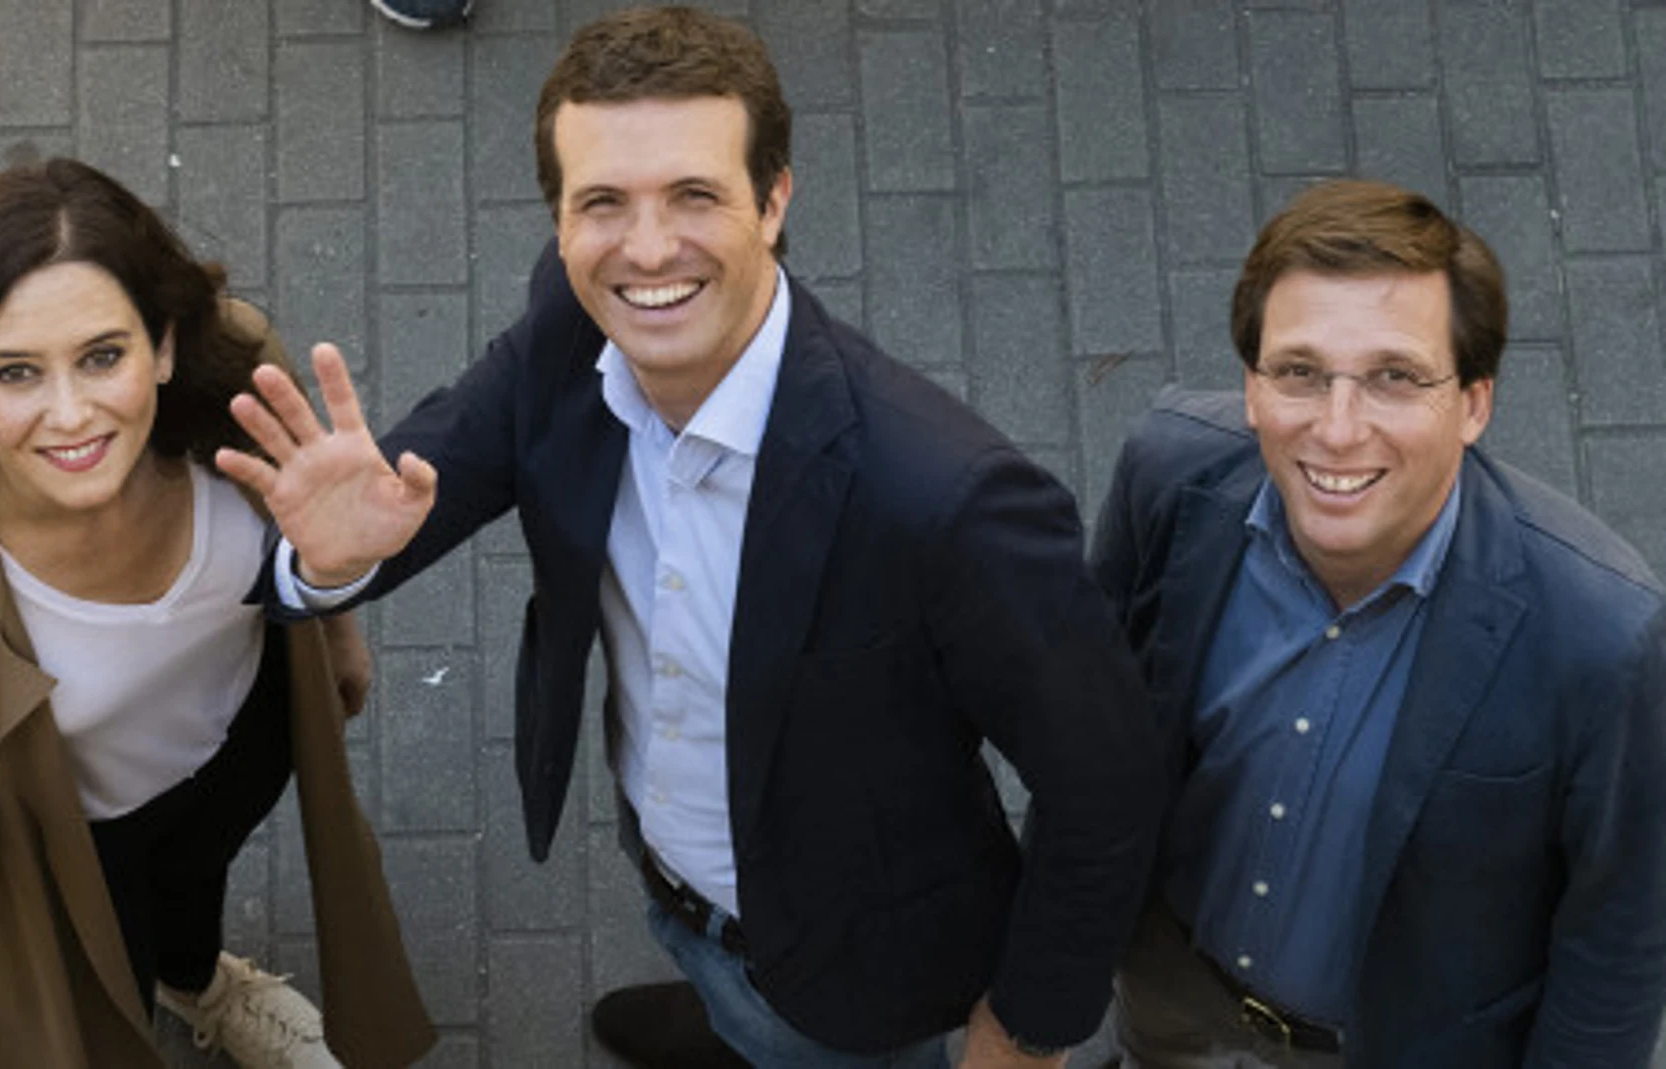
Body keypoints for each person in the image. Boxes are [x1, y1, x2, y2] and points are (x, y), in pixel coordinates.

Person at [217, 7, 1163, 1067]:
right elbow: (413, 484)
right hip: (685, 865)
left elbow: (1106, 779)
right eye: (603, 204)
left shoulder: (945, 497)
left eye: (695, 196)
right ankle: (722, 1002)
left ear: (774, 200)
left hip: (862, 967)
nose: (648, 249)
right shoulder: (568, 327)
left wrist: (1023, 1035)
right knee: (730, 1000)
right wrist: (330, 564)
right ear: (559, 220)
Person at [0, 159, 435, 1069]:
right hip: (74, 846)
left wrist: (338, 612)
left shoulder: (241, 381)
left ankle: (200, 981)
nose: (71, 414)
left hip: (240, 744)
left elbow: (309, 550)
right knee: (100, 997)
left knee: (192, 894)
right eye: (15, 372)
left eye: (103, 355)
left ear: (163, 345)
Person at [1090, 179, 1666, 1067]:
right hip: (1172, 988)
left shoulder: (1604, 639)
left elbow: (1616, 947)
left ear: (1474, 402)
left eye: (1395, 377)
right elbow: (1084, 737)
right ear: (1251, 386)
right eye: (1300, 372)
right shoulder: (1167, 478)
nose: (1338, 428)